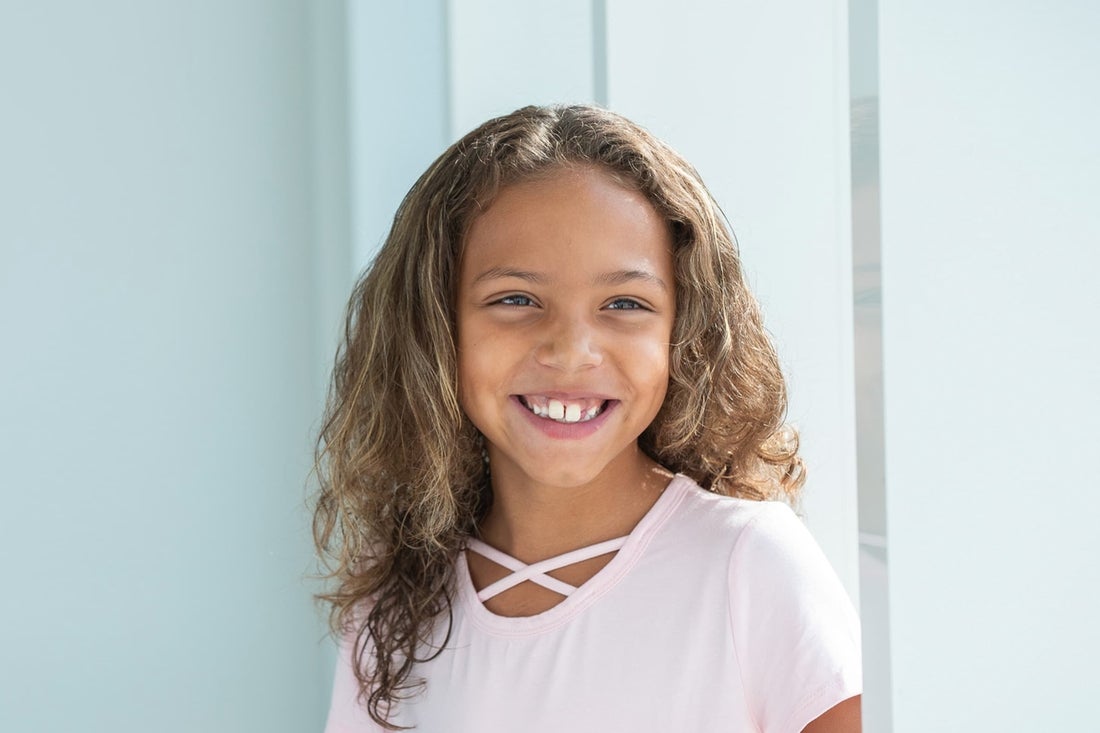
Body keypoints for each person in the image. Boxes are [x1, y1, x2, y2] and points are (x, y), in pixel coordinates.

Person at [314, 104, 862, 732]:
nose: (571, 351)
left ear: (685, 330)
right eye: (516, 299)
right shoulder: (394, 598)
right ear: (434, 326)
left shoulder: (750, 564)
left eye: (624, 303)